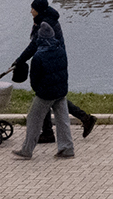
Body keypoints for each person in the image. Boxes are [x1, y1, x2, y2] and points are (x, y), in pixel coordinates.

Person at [16, 0, 97, 140]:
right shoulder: (46, 19)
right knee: (52, 96)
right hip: (55, 59)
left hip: (50, 62)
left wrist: (20, 60)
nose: (31, 11)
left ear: (39, 10)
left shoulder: (45, 24)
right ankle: (82, 119)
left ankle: (50, 131)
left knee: (46, 95)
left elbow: (34, 45)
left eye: (33, 8)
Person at [11, 21, 73, 158]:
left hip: (45, 94)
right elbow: (64, 71)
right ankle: (67, 149)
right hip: (61, 91)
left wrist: (38, 90)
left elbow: (34, 78)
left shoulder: (38, 56)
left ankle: (27, 150)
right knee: (63, 120)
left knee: (33, 119)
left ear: (40, 38)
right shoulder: (61, 50)